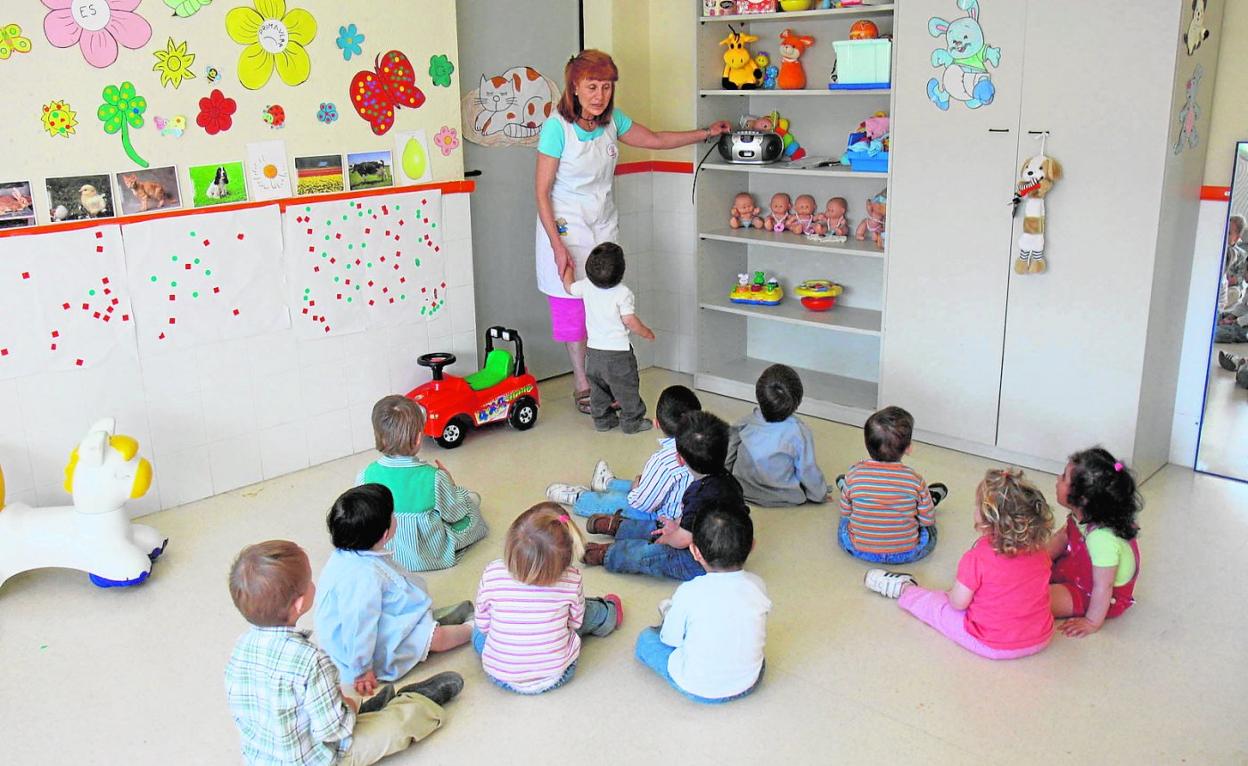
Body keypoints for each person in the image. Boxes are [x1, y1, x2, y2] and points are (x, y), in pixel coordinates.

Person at [535, 49, 731, 414]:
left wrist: (706, 133)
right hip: (565, 225)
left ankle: (607, 379)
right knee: (572, 308)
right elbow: (542, 192)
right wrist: (556, 245)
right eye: (592, 86)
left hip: (602, 222)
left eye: (606, 87)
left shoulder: (612, 121)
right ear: (574, 87)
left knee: (607, 302)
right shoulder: (556, 127)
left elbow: (655, 139)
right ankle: (583, 383)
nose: (600, 95)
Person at [225, 540, 463, 766]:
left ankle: (367, 709)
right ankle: (415, 701)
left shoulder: (240, 648)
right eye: (309, 582)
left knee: (345, 706)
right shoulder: (311, 661)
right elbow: (332, 730)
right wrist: (349, 705)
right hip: (324, 757)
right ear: (299, 604)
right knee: (398, 727)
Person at [863, 468, 1054, 660]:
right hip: (1040, 637)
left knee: (937, 606)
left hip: (991, 643)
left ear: (987, 519)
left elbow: (958, 603)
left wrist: (953, 593)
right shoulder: (1042, 552)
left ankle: (904, 588)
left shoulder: (977, 558)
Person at [314, 485, 474, 698]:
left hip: (367, 628)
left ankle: (427, 620)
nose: (395, 516)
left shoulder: (350, 553)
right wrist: (362, 669)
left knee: (418, 618)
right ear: (385, 534)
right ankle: (475, 629)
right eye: (392, 514)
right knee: (437, 638)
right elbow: (358, 626)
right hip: (361, 652)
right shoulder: (364, 578)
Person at [473, 502, 623, 694]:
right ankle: (609, 614)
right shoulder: (571, 579)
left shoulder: (492, 572)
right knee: (588, 609)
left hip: (499, 675)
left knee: (477, 629)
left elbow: (483, 624)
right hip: (557, 675)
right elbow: (576, 623)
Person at [582, 411, 750, 582]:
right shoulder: (729, 482)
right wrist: (676, 524)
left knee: (652, 555)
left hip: (702, 563)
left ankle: (610, 554)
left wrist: (666, 539)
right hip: (711, 539)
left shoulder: (698, 494)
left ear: (680, 459)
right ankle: (623, 528)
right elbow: (691, 520)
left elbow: (683, 539)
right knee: (662, 525)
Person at [635, 504, 770, 703]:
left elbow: (670, 640)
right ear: (752, 546)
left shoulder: (689, 591)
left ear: (695, 551)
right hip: (749, 682)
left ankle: (670, 614)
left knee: (646, 639)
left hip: (698, 687)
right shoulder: (757, 585)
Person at [357, 395, 487, 572]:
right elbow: (454, 513)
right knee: (472, 504)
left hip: (386, 551)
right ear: (419, 438)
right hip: (429, 553)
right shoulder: (434, 477)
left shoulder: (364, 475)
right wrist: (451, 484)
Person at [544, 384, 702, 520]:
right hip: (689, 511)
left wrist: (636, 489)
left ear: (657, 424)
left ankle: (581, 498)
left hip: (664, 518)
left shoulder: (663, 461)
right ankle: (608, 484)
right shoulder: (709, 447)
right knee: (646, 483)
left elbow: (642, 504)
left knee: (618, 502)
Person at [1048, 448, 1142, 637]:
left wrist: (1092, 621)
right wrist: (1036, 559)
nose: (1058, 479)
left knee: (1034, 600)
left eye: (1064, 478)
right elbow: (1063, 537)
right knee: (1029, 576)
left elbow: (1103, 586)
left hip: (1092, 593)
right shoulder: (1086, 515)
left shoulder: (1102, 539)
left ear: (1082, 499)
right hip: (1079, 571)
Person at [561, 242, 654, 432]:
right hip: (618, 354)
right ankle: (632, 422)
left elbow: (568, 287)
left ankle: (602, 420)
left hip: (594, 353)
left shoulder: (586, 286)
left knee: (598, 389)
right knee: (626, 388)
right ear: (621, 271)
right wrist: (646, 332)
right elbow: (629, 320)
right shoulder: (623, 293)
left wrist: (568, 268)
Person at [836, 406, 948, 563]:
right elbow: (927, 520)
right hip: (907, 552)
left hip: (860, 550)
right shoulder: (914, 480)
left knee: (844, 523)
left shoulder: (854, 474)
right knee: (929, 529)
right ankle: (931, 498)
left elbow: (845, 512)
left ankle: (846, 489)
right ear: (908, 448)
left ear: (867, 444)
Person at [726, 363, 828, 506]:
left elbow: (728, 455)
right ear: (797, 402)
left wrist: (725, 484)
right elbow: (807, 470)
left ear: (758, 395)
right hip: (783, 497)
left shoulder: (744, 423)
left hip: (743, 490)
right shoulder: (799, 432)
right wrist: (819, 495)